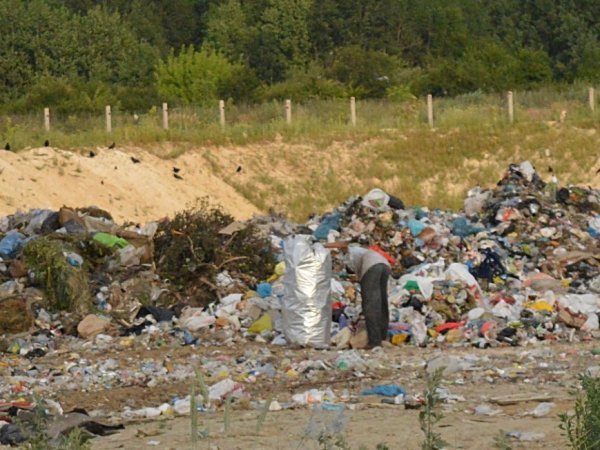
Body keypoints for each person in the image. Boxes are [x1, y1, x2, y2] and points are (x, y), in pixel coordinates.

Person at [324, 241, 391, 348]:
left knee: (370, 305)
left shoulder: (350, 251)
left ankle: (374, 341)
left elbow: (343, 244)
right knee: (381, 302)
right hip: (384, 265)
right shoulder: (360, 253)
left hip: (372, 265)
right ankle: (382, 336)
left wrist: (324, 245)